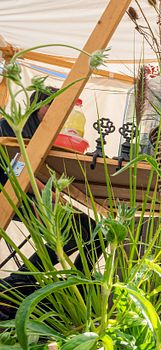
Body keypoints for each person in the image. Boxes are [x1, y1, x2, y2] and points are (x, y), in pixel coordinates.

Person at [0, 88, 104, 320]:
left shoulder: (43, 131)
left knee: (95, 230)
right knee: (86, 229)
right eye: (58, 108)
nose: (64, 114)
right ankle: (22, 281)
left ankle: (75, 285)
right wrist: (49, 193)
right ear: (42, 106)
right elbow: (14, 168)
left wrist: (54, 189)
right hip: (11, 195)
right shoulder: (11, 126)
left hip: (30, 195)